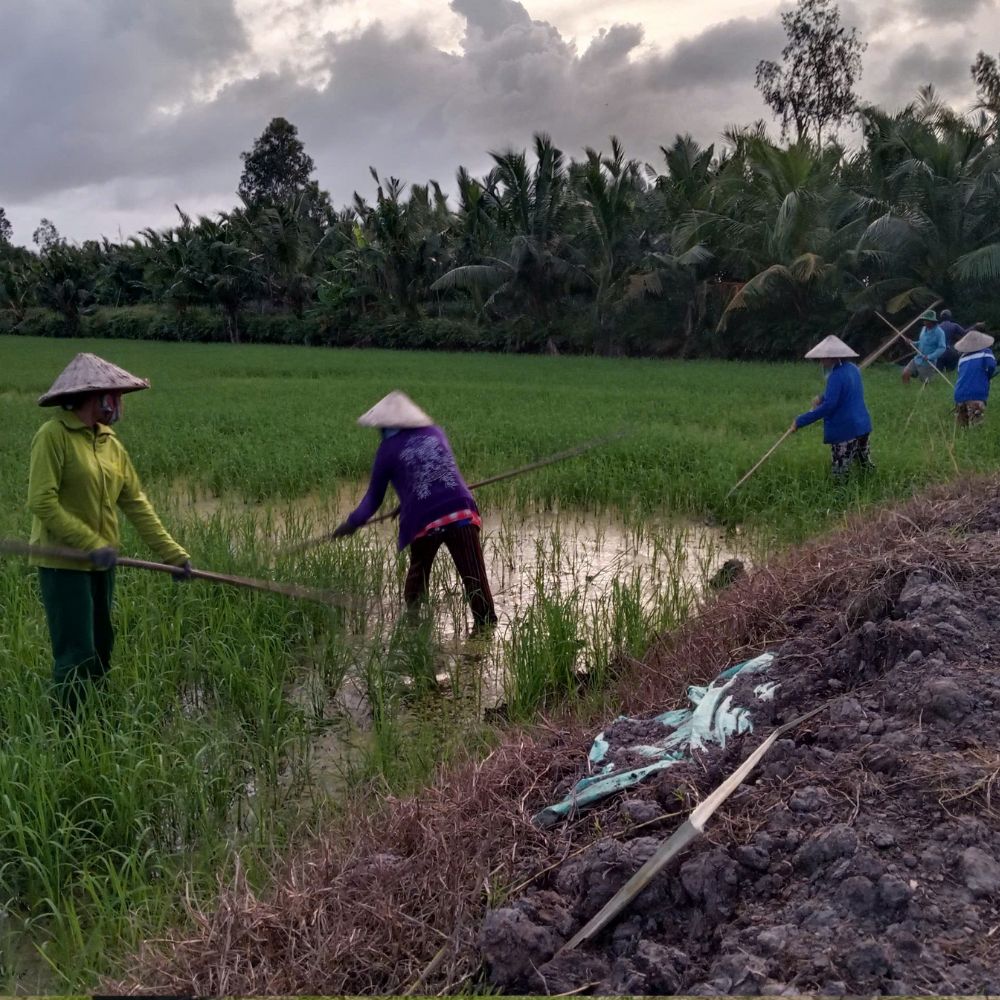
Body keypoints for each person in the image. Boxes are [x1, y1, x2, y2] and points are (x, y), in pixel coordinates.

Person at [28, 353, 192, 711]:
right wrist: (90, 542)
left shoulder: (110, 442)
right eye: (114, 396)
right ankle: (69, 729)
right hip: (64, 563)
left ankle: (96, 715)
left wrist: (174, 555)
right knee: (76, 651)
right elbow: (42, 501)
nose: (119, 405)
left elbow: (135, 502)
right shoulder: (53, 436)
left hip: (102, 563)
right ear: (95, 397)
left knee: (102, 643)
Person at [332, 391, 497, 632]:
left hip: (425, 521)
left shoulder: (387, 450)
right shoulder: (436, 432)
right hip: (460, 510)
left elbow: (374, 497)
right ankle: (486, 627)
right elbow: (434, 476)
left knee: (417, 580)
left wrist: (353, 522)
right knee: (475, 579)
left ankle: (413, 629)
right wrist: (410, 500)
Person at [790, 335, 873, 478]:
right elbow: (844, 391)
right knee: (864, 465)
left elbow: (829, 406)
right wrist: (822, 397)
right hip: (862, 426)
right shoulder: (853, 369)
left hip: (846, 430)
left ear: (833, 357)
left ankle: (844, 499)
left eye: (824, 357)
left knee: (840, 474)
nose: (821, 361)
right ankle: (871, 487)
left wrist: (800, 421)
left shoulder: (836, 376)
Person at [953, 329, 997, 427]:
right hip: (976, 395)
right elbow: (991, 366)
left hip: (959, 395)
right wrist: (987, 377)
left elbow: (960, 373)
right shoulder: (986, 352)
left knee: (961, 429)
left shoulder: (962, 358)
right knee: (977, 427)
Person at [902, 310, 946, 385]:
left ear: (931, 321)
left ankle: (927, 395)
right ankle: (906, 390)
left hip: (928, 362)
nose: (924, 322)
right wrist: (912, 343)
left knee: (924, 384)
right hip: (918, 358)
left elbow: (942, 348)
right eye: (924, 320)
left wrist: (930, 356)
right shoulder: (923, 329)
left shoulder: (939, 332)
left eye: (926, 320)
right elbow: (921, 342)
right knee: (905, 373)